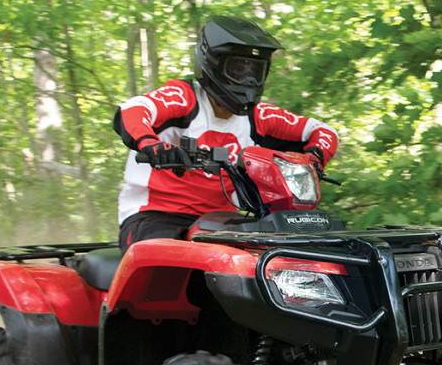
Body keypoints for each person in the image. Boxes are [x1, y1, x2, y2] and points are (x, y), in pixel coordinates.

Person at [111, 15, 339, 255]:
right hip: (155, 215)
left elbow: (323, 131)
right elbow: (133, 110)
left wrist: (315, 159)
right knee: (163, 262)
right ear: (212, 63)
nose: (247, 79)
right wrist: (151, 145)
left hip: (223, 221)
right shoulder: (184, 97)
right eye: (238, 69)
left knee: (272, 260)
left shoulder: (259, 116)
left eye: (255, 70)